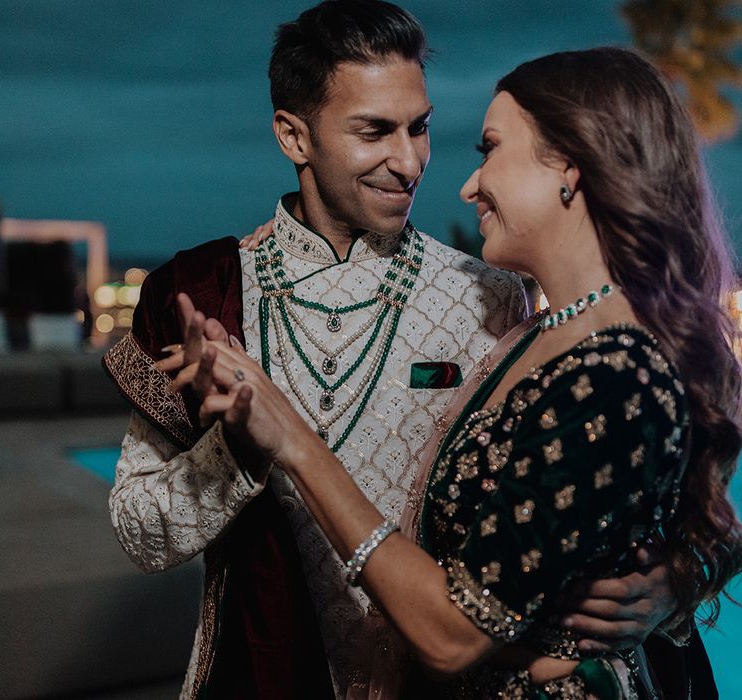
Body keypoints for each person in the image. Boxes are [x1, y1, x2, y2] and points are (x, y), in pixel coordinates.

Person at [104, 3, 681, 697]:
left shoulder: (491, 294)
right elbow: (140, 536)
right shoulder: (199, 293)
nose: (409, 162)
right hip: (261, 676)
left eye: (421, 128)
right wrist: (239, 448)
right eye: (375, 130)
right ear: (295, 136)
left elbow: (644, 463)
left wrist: (673, 584)